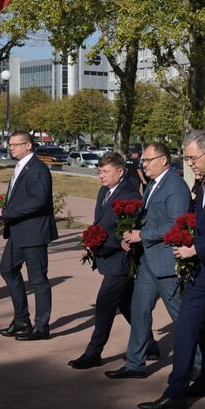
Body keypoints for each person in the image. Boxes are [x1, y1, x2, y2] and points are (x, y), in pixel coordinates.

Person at [143, 131, 205, 408]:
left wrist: (197, 248)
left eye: (192, 157)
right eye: (186, 158)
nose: (189, 163)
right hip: (202, 273)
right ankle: (177, 391)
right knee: (188, 326)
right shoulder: (202, 183)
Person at [109, 142, 191, 379]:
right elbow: (150, 220)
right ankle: (135, 363)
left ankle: (198, 362)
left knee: (181, 317)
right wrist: (131, 235)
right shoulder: (153, 184)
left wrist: (141, 235)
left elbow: (176, 223)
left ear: (164, 160)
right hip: (147, 261)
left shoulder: (175, 186)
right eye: (142, 161)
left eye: (148, 160)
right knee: (139, 311)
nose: (143, 165)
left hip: (166, 262)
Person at [69, 152, 143, 369]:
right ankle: (149, 343)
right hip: (108, 257)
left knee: (104, 306)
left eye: (105, 171)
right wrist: (91, 242)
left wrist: (103, 243)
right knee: (127, 305)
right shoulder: (104, 190)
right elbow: (101, 223)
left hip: (121, 260)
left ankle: (93, 353)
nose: (100, 176)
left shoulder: (130, 195)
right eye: (99, 171)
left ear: (120, 172)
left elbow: (129, 231)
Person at [0, 131, 59, 340]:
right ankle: (22, 320)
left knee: (38, 281)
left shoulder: (38, 169)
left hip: (34, 233)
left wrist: (6, 213)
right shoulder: (22, 166)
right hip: (18, 232)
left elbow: (38, 201)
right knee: (7, 269)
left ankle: (41, 327)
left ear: (29, 145)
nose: (11, 148)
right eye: (10, 144)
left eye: (15, 144)